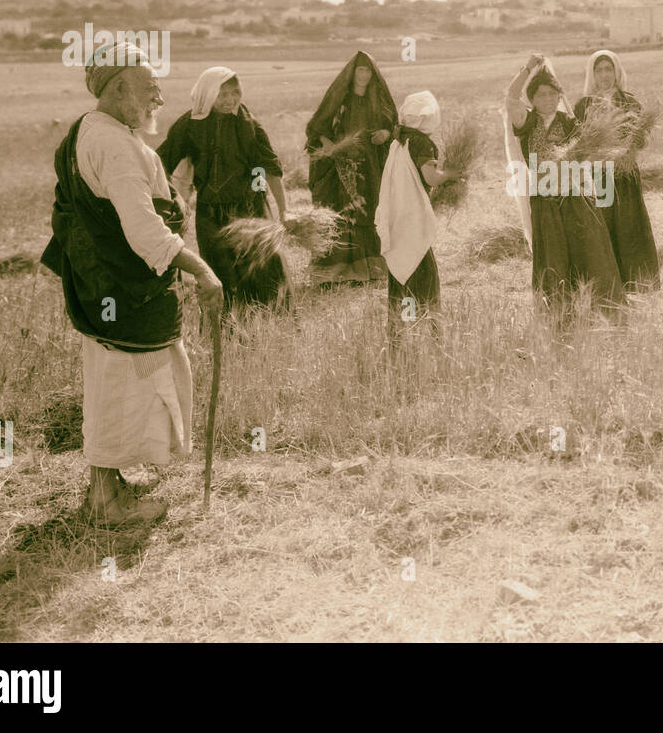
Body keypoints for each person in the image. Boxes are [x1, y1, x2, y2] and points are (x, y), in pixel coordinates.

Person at [40, 42, 223, 527]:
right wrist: (201, 269)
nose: (158, 98)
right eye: (148, 88)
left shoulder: (93, 129)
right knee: (122, 387)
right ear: (118, 88)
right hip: (123, 291)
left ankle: (110, 486)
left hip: (105, 288)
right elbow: (144, 232)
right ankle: (107, 504)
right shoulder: (116, 145)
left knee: (115, 386)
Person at [157, 66, 288, 307]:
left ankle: (270, 330)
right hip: (210, 213)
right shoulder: (188, 125)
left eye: (234, 93)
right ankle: (225, 334)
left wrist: (284, 210)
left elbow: (270, 168)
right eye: (222, 94)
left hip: (250, 210)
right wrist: (172, 201)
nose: (231, 100)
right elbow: (160, 162)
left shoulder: (249, 125)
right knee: (219, 275)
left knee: (263, 272)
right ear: (207, 94)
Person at [505, 54, 625, 315]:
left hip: (573, 197)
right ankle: (558, 310)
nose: (548, 100)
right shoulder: (527, 123)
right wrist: (528, 67)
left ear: (560, 97)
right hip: (545, 201)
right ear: (533, 99)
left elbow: (590, 155)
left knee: (586, 251)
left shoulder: (570, 124)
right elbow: (511, 97)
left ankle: (596, 306)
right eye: (541, 95)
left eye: (552, 94)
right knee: (553, 257)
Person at [304, 51, 396, 285]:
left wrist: (385, 134)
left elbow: (393, 126)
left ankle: (368, 270)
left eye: (368, 70)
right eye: (360, 70)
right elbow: (316, 127)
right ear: (352, 72)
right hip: (339, 168)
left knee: (367, 211)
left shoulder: (379, 101)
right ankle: (334, 274)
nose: (364, 75)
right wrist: (331, 147)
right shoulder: (339, 100)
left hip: (370, 167)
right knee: (341, 212)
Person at [573, 50, 660, 292]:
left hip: (624, 173)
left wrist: (633, 139)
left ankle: (635, 282)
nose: (604, 75)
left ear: (617, 71)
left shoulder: (630, 102)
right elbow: (576, 142)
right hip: (598, 176)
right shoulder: (583, 105)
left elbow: (643, 141)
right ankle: (606, 284)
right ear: (592, 74)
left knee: (629, 225)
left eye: (608, 69)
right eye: (598, 70)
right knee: (602, 226)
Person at [376, 91, 461, 338]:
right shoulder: (422, 142)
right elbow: (431, 177)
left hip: (398, 218)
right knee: (421, 272)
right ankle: (427, 330)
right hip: (412, 219)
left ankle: (400, 331)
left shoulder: (399, 140)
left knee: (401, 272)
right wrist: (452, 175)